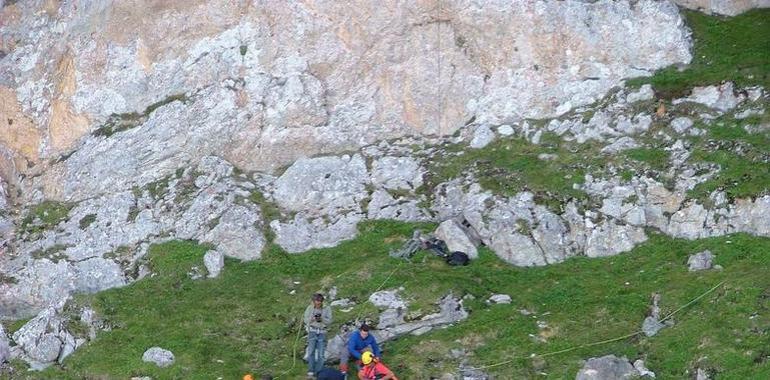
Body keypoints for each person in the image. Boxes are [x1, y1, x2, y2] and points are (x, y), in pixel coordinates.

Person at [304, 293, 332, 378]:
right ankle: (311, 371)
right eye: (316, 302)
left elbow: (330, 321)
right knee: (311, 351)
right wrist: (312, 319)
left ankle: (318, 372)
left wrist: (322, 319)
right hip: (312, 331)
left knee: (321, 354)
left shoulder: (327, 308)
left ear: (322, 301)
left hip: (322, 332)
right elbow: (305, 320)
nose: (318, 303)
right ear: (313, 301)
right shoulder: (310, 308)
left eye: (320, 302)